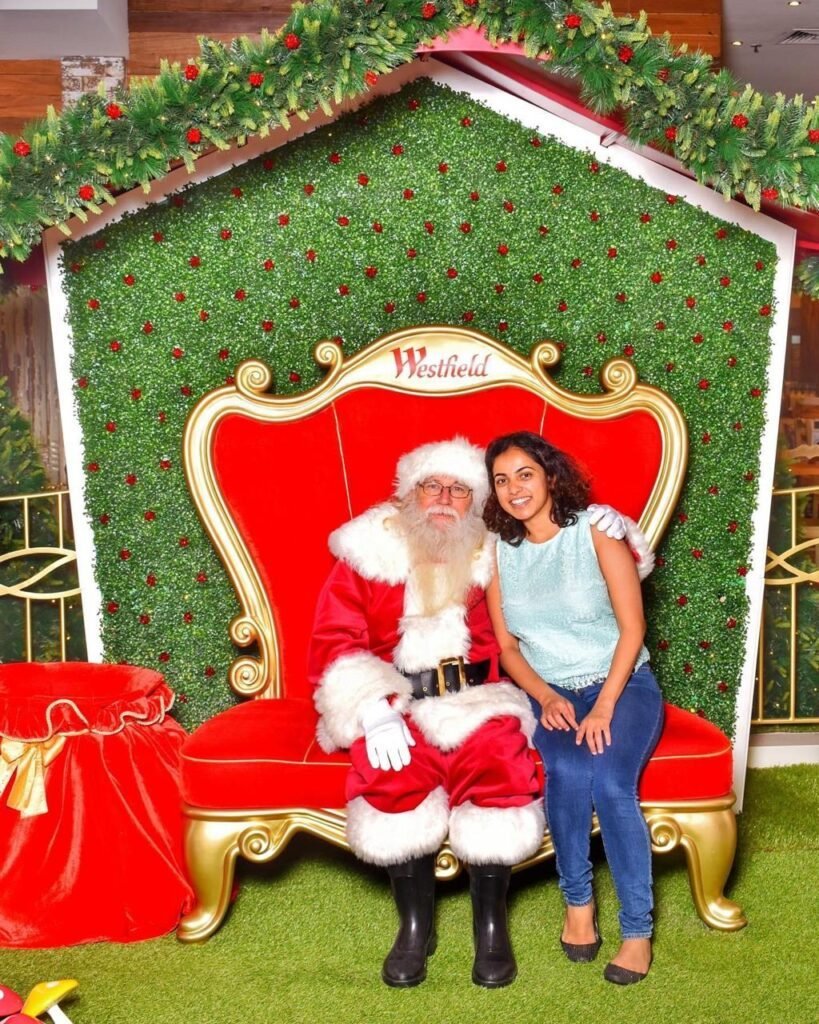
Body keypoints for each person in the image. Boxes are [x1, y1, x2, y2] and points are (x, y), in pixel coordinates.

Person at [308, 436, 637, 989]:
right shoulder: (367, 551)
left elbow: (579, 572)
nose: (443, 497)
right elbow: (333, 639)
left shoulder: (496, 550)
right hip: (398, 700)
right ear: (407, 495)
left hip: (481, 696)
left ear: (474, 502)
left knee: (500, 761)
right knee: (392, 772)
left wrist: (616, 530)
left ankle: (491, 928)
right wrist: (372, 708)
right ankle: (416, 927)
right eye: (430, 486)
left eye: (458, 489)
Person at [484, 430, 663, 986]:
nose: (514, 488)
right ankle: (577, 904)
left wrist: (605, 705)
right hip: (553, 695)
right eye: (501, 479)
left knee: (610, 781)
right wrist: (546, 696)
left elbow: (633, 628)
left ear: (550, 476)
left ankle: (637, 931)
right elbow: (508, 648)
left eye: (525, 474)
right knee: (564, 769)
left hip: (622, 686)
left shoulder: (597, 531)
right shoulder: (498, 556)